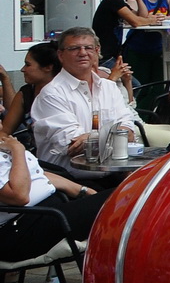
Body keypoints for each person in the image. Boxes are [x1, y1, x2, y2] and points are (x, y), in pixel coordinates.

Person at [30, 28, 139, 169]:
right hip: (71, 180)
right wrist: (116, 136)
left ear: (97, 51)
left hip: (112, 172)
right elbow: (72, 146)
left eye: (88, 47)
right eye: (74, 48)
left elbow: (130, 131)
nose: (82, 53)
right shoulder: (51, 94)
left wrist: (92, 138)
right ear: (60, 55)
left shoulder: (109, 87)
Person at [0, 130, 109, 264]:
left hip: (47, 213)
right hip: (19, 231)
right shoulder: (13, 147)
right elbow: (19, 196)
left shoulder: (4, 143)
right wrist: (17, 150)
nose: (1, 108)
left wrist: (84, 191)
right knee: (121, 198)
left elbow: (38, 175)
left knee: (116, 197)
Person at [1, 43, 60, 151]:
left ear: (48, 67)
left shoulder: (67, 93)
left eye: (28, 65)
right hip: (38, 159)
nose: (22, 69)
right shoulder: (26, 93)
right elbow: (5, 131)